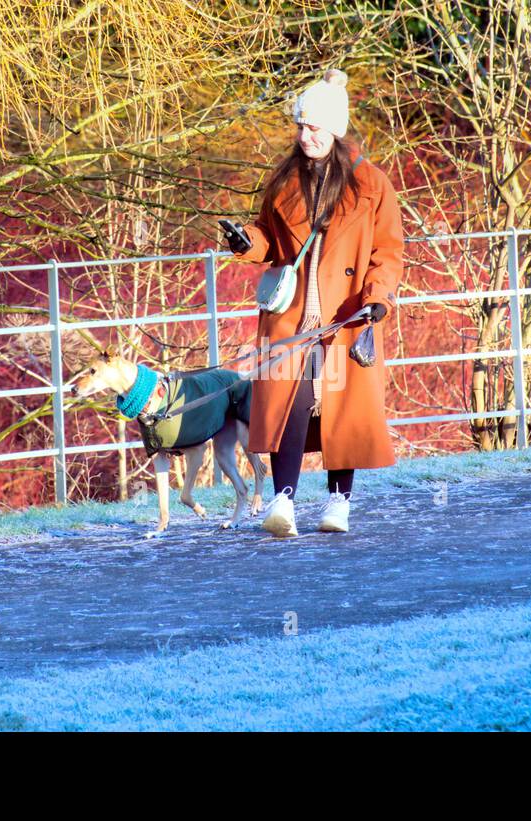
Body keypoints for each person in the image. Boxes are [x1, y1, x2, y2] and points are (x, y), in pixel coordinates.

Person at [226, 67, 404, 537]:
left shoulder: (372, 185)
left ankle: (338, 505)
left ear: (335, 130)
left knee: (341, 414)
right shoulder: (284, 182)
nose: (306, 136)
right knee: (291, 402)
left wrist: (378, 299)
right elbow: (271, 241)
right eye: (301, 126)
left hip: (347, 316)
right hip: (291, 318)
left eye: (315, 128)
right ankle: (283, 502)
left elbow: (387, 252)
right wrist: (247, 241)